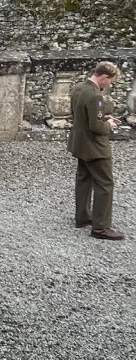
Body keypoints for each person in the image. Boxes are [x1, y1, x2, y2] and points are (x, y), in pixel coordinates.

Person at [68, 61, 124, 240]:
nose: (110, 85)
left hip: (80, 143)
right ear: (104, 77)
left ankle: (82, 216)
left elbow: (80, 115)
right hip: (95, 147)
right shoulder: (95, 96)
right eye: (111, 81)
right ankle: (101, 227)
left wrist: (103, 118)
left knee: (84, 179)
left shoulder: (78, 88)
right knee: (105, 184)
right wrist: (108, 124)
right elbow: (96, 127)